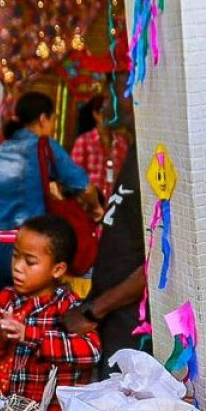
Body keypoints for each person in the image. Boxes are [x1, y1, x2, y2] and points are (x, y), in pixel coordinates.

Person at [0, 213, 100, 411]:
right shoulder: (6, 300)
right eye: (15, 256)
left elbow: (91, 351)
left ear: (58, 269)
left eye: (30, 262)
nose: (18, 267)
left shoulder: (68, 306)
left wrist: (29, 335)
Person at [0, 92, 94, 293]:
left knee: (5, 310)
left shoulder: (2, 150)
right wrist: (96, 209)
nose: (53, 125)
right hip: (33, 251)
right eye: (53, 119)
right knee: (36, 311)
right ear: (43, 118)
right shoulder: (44, 146)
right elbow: (84, 186)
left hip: (0, 249)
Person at [66, 147, 148, 368]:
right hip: (110, 313)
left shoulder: (157, 151)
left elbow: (157, 265)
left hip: (130, 320)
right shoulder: (137, 149)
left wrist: (95, 311)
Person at [70, 94, 130, 203]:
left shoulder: (122, 144)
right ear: (95, 114)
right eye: (104, 112)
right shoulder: (83, 141)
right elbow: (75, 178)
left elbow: (126, 178)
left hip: (115, 203)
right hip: (89, 204)